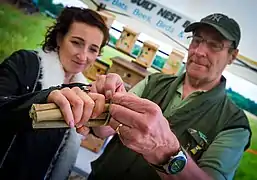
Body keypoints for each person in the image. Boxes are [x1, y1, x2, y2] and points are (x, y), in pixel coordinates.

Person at [88, 13, 251, 180]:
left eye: (215, 45)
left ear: (232, 56)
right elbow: (104, 130)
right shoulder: (154, 82)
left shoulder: (233, 123)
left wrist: (165, 152)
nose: (199, 51)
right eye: (197, 40)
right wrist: (105, 100)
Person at [0, 7, 109, 179]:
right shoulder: (25, 63)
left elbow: (101, 131)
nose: (83, 56)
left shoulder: (84, 91)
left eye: (93, 49)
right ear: (59, 38)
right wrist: (44, 98)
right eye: (76, 42)